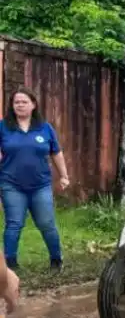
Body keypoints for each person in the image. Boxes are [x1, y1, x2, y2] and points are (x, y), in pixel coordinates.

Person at [0, 87, 70, 272]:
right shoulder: (3, 127)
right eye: (16, 102)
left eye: (24, 102)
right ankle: (10, 264)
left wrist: (63, 176)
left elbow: (56, 152)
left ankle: (56, 260)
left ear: (33, 105)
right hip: (11, 184)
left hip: (40, 185)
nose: (20, 105)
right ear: (12, 106)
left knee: (47, 223)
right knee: (14, 223)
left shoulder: (45, 128)